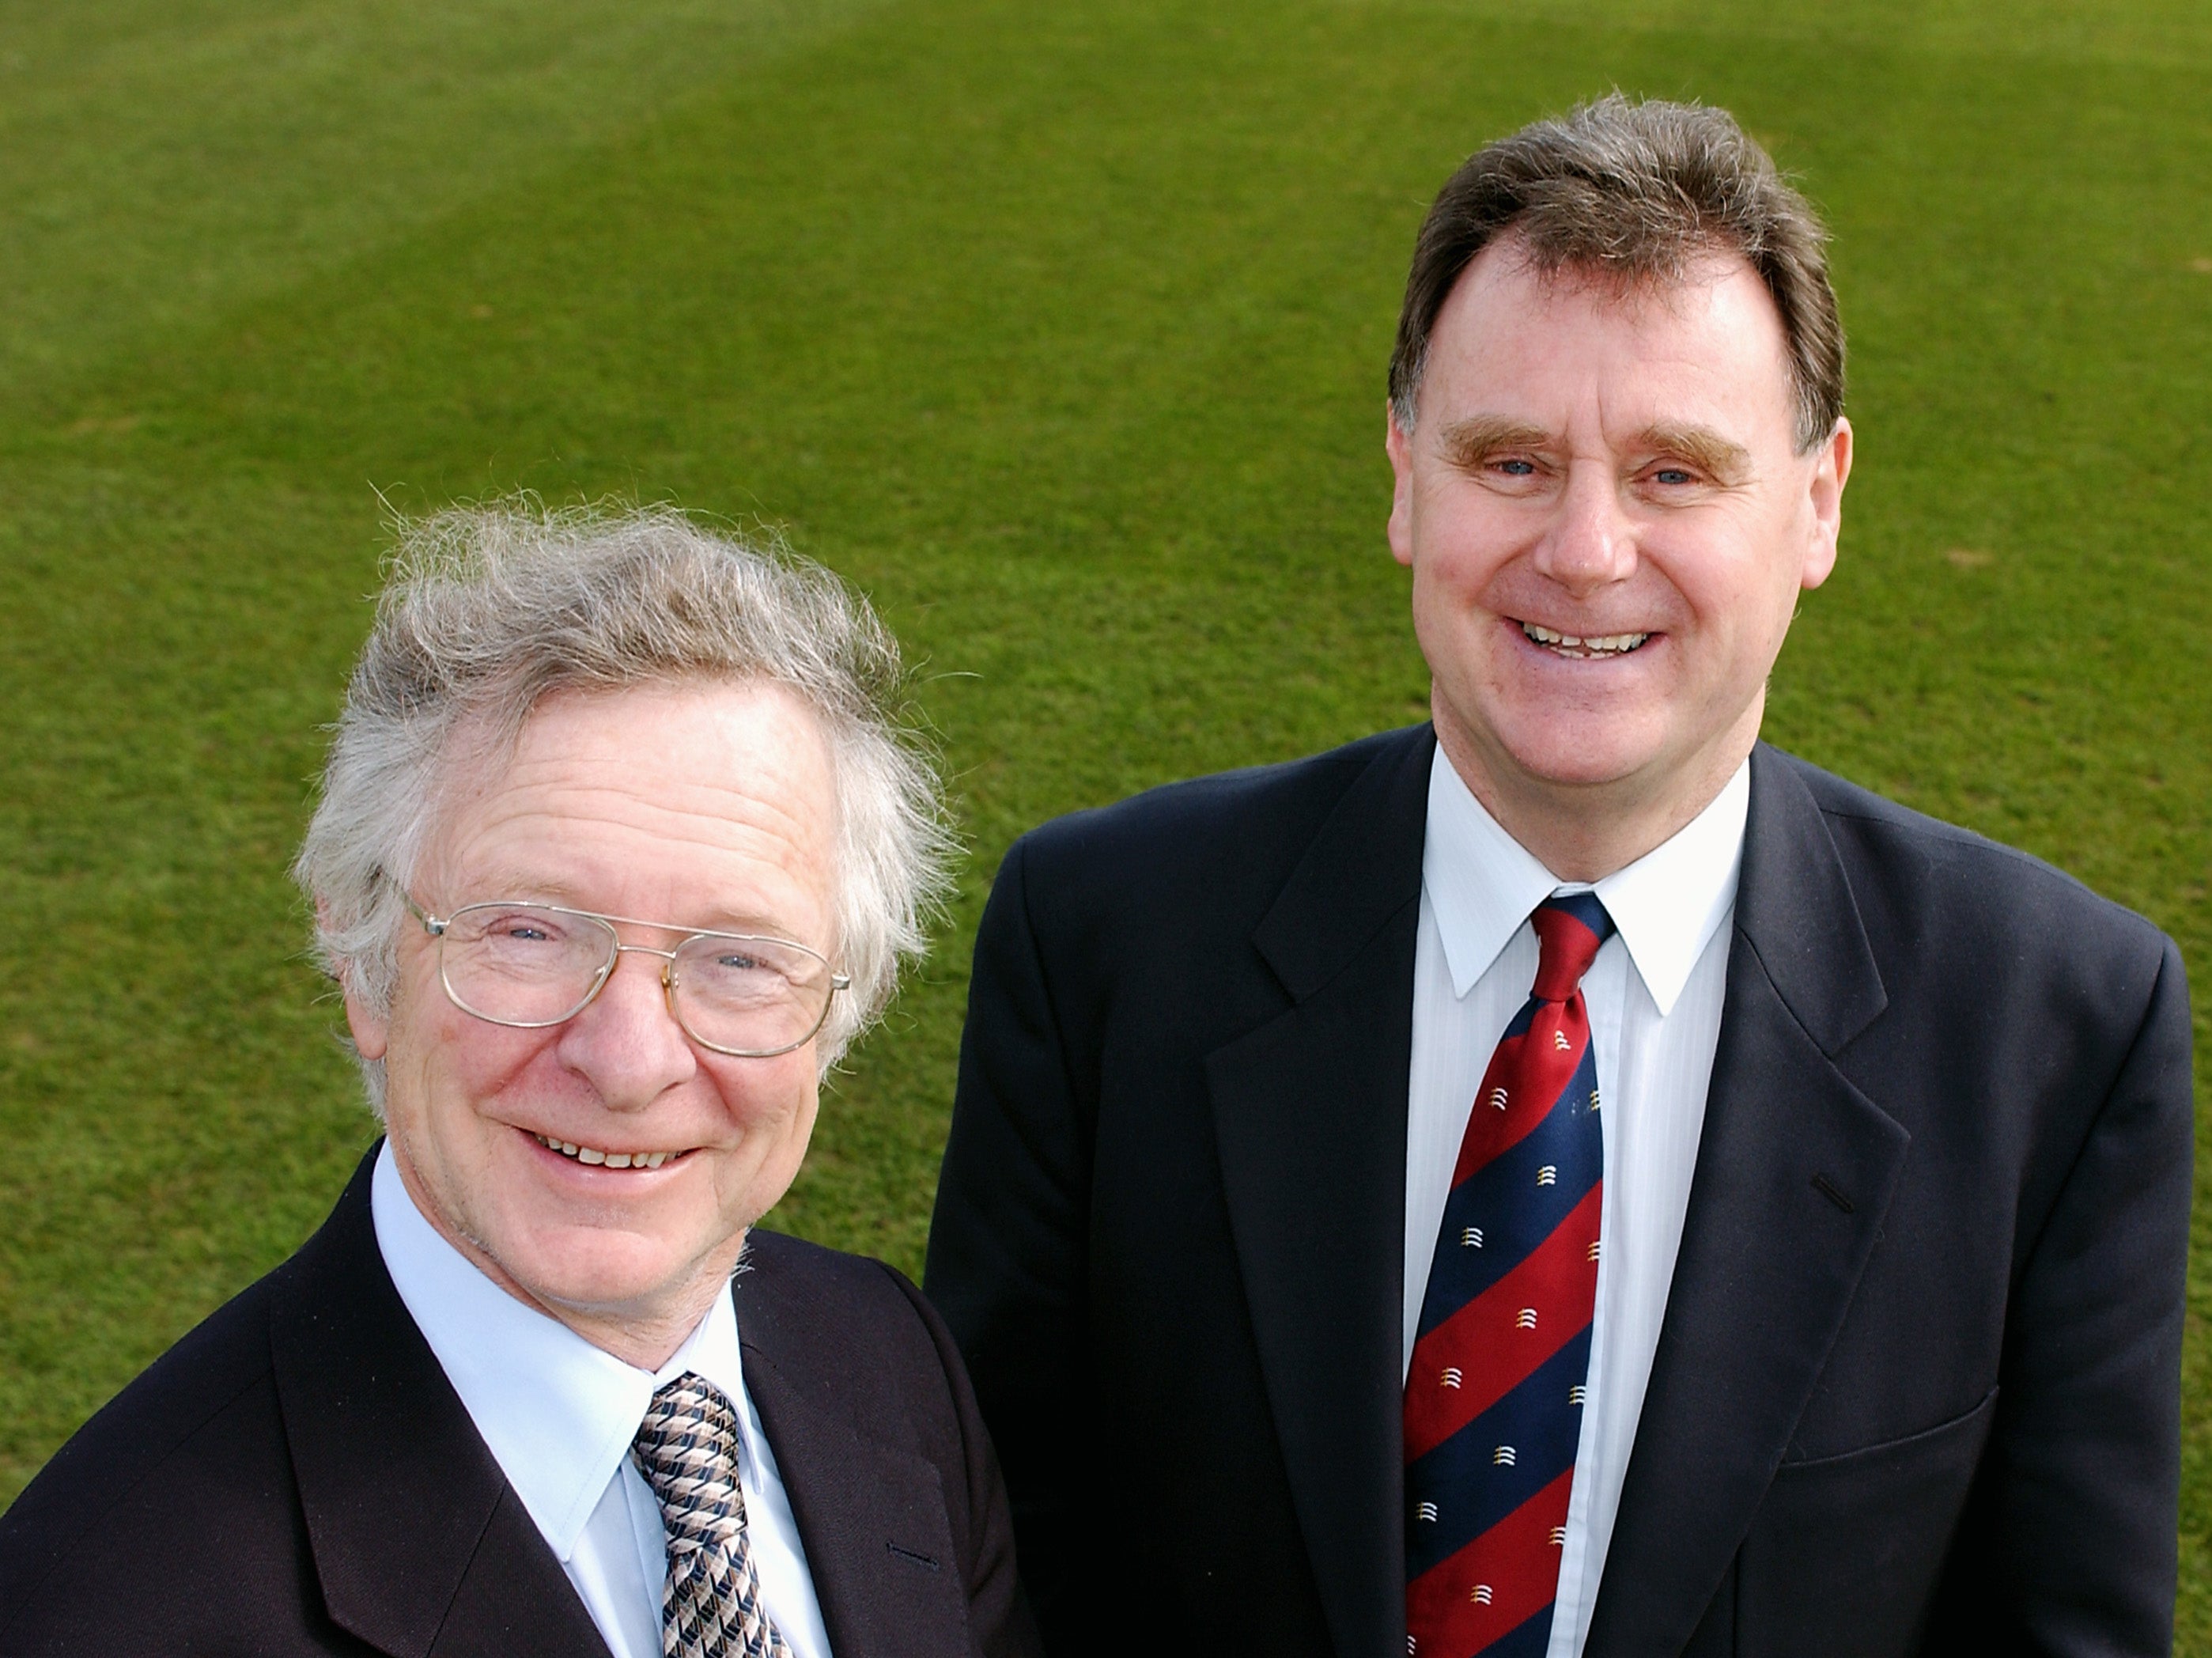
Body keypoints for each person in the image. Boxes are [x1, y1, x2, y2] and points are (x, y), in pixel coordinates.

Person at [924, 96, 2193, 1658]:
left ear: (1817, 502)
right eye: (1510, 459)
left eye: (1674, 473)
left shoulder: (2057, 1023)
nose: (1586, 552)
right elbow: (982, 1574)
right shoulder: (1103, 942)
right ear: (1403, 477)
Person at [0, 506, 1038, 1658]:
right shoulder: (98, 1613)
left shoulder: (884, 1355)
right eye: (530, 933)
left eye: (739, 959)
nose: (631, 1062)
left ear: (844, 1002)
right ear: (362, 962)